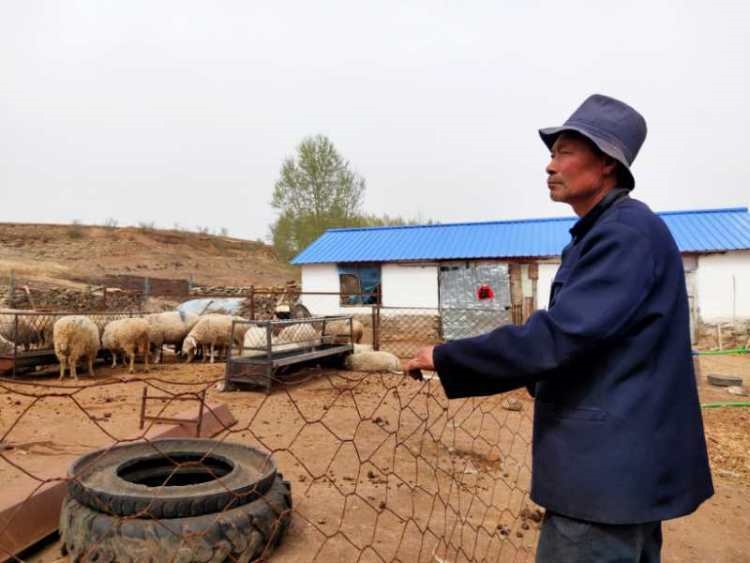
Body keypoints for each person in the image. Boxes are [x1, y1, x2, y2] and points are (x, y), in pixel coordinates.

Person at [404, 94, 714, 563]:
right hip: (623, 475)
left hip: (601, 480)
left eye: (565, 152)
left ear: (607, 163)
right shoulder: (606, 232)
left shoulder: (623, 234)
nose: (550, 165)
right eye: (551, 154)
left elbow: (562, 336)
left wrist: (447, 357)